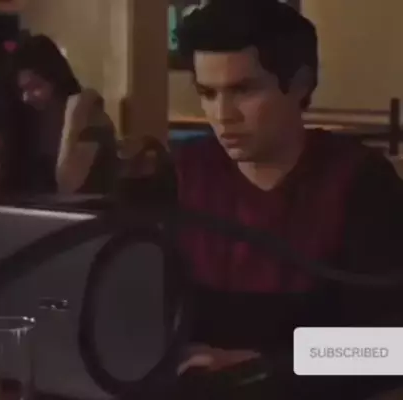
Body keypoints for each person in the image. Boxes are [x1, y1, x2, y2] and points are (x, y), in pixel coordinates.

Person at [121, 0, 403, 398]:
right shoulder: (184, 172)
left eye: (244, 90)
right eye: (207, 93)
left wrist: (262, 367)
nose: (223, 114)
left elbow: (389, 349)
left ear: (300, 84)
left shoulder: (359, 182)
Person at [0, 35, 119, 196]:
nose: (26, 98)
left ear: (57, 80)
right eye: (23, 90)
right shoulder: (31, 121)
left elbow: (67, 185)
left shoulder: (90, 119)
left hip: (88, 210)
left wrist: (73, 118)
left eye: (36, 86)